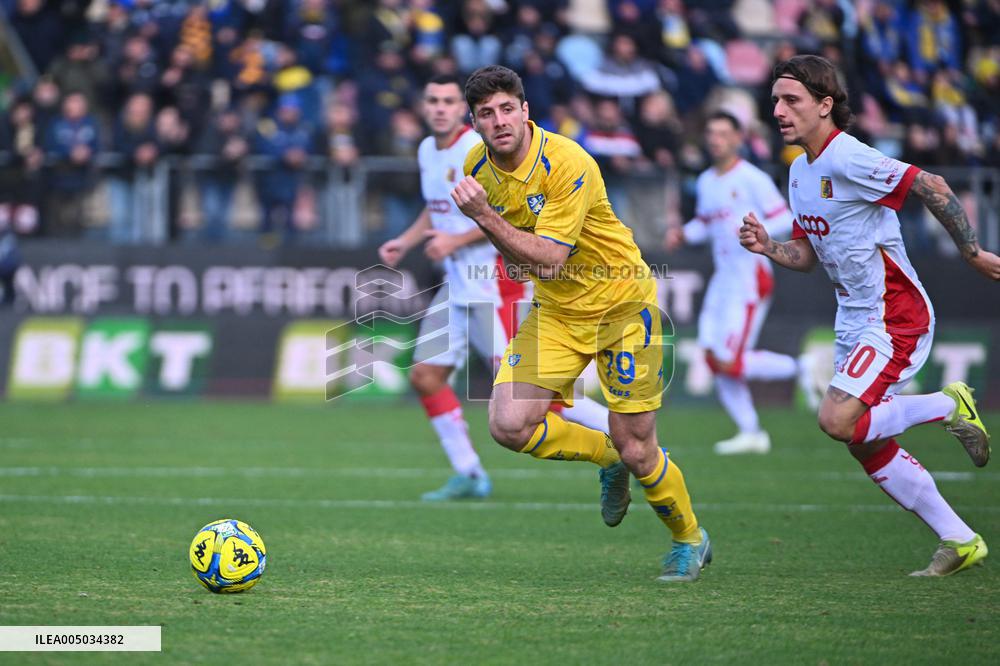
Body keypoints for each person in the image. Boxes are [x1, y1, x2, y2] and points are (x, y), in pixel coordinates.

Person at [741, 55, 999, 577]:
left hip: (894, 315)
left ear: (825, 104)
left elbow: (934, 186)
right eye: (775, 100)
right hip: (854, 320)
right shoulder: (799, 171)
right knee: (866, 443)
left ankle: (947, 404)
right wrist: (771, 247)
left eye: (791, 100)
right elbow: (811, 254)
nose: (779, 111)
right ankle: (960, 537)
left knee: (837, 419)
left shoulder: (849, 157)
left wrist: (972, 254)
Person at [451, 65, 711, 582]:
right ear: (475, 123)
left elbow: (546, 258)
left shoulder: (568, 162)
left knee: (641, 447)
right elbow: (526, 259)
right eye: (486, 113)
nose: (499, 121)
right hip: (558, 312)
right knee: (507, 424)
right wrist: (499, 234)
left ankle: (690, 539)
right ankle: (607, 458)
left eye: (507, 109)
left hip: (622, 308)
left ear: (526, 111)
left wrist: (486, 219)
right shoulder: (476, 166)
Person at [378, 74, 610, 502]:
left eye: (448, 100)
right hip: (456, 284)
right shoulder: (429, 149)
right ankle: (469, 472)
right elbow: (439, 209)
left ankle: (628, 438)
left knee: (536, 396)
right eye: (433, 100)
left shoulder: (478, 148)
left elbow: (501, 217)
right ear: (424, 107)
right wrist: (407, 240)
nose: (440, 108)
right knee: (426, 376)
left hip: (494, 282)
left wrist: (456, 239)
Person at [666, 110, 808, 455]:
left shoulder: (752, 178)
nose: (715, 139)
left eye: (722, 133)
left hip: (749, 277)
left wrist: (756, 233)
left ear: (737, 139)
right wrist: (684, 233)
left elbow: (784, 218)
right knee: (713, 358)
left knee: (729, 359)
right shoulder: (706, 181)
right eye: (711, 133)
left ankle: (799, 367)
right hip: (722, 278)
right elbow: (706, 223)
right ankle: (751, 432)